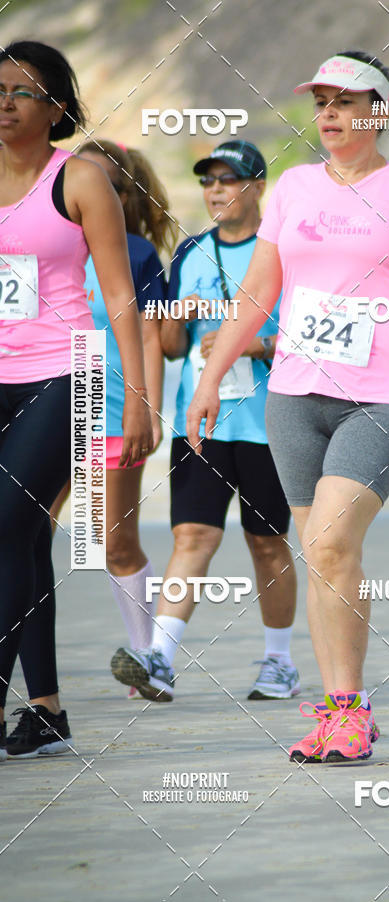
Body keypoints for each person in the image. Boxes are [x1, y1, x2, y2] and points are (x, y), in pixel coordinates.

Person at [185, 52, 389, 762]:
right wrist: (211, 377)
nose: (329, 115)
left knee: (334, 544)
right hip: (292, 400)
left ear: (382, 111)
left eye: (346, 102)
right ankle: (344, 712)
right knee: (322, 557)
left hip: (380, 401)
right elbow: (257, 295)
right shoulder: (296, 188)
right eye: (322, 102)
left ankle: (349, 708)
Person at [0, 41, 153, 759]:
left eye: (22, 91)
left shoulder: (81, 178)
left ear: (57, 108)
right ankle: (47, 713)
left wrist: (140, 400)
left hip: (66, 373)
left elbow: (121, 295)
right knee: (22, 540)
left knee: (4, 526)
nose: (4, 102)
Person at [110, 141, 299, 703]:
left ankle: (279, 662)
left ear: (258, 186)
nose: (216, 190)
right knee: (191, 536)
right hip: (203, 424)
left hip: (269, 425)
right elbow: (168, 347)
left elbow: (311, 337)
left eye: (229, 180)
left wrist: (256, 344)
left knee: (267, 545)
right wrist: (180, 316)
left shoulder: (284, 251)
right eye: (208, 181)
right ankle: (161, 661)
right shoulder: (191, 253)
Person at [48, 139, 176, 699]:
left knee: (114, 542)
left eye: (105, 185)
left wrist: (148, 409)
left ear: (122, 195)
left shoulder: (135, 253)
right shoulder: (46, 247)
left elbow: (151, 336)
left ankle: (147, 659)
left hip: (115, 410)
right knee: (25, 533)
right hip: (49, 404)